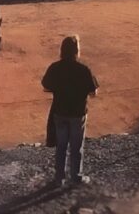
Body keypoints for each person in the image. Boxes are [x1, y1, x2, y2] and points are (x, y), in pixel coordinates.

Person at [42, 35, 98, 186]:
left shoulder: (55, 67)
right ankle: (76, 177)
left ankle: (59, 178)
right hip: (77, 113)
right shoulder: (84, 69)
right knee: (76, 146)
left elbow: (46, 86)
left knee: (61, 146)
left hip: (60, 112)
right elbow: (93, 92)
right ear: (76, 51)